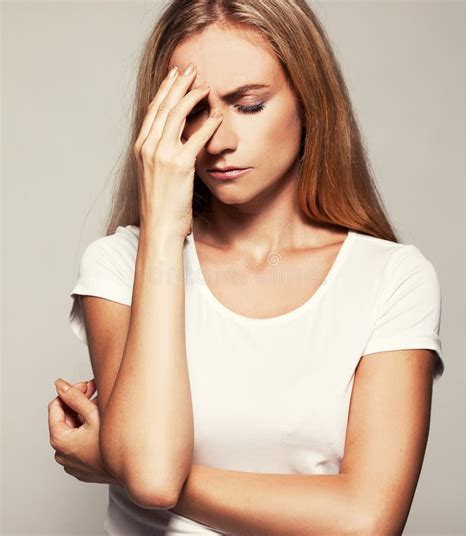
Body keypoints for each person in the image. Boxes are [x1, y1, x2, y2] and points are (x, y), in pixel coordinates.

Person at [47, 1, 445, 534]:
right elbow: (151, 477)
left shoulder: (393, 278)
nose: (219, 140)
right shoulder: (121, 264)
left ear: (310, 101)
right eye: (192, 111)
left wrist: (111, 461)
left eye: (250, 105)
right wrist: (164, 227)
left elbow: (366, 520)